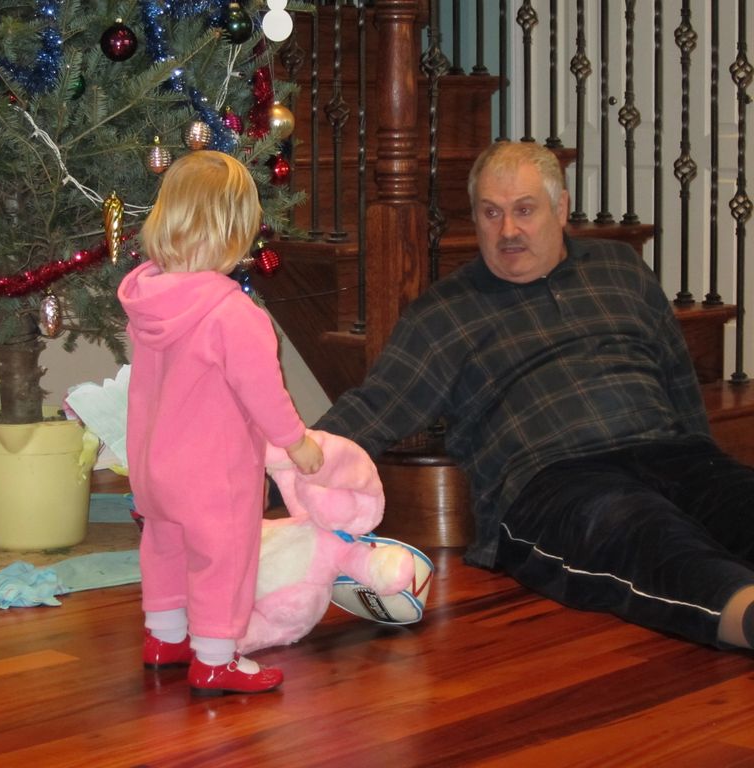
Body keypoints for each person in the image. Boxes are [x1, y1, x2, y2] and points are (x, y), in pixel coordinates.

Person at [315, 140, 754, 651]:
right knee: (650, 540)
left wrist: (704, 460)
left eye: (524, 210)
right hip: (555, 483)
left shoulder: (620, 269)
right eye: (491, 213)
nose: (508, 231)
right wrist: (274, 467)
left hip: (670, 452)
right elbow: (373, 410)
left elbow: (677, 378)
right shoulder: (445, 313)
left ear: (561, 208)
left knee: (739, 502)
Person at [119, 150, 324, 696]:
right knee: (223, 558)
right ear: (237, 233)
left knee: (164, 545)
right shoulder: (234, 314)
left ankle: (164, 639)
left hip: (153, 466)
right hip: (213, 475)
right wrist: (295, 442)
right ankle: (215, 659)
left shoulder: (149, 301)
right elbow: (264, 394)